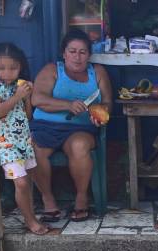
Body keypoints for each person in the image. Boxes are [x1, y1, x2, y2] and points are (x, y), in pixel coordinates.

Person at [30, 29, 112, 222]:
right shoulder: (52, 70)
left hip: (81, 129)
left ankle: (82, 198)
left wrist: (99, 113)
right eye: (72, 51)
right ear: (64, 53)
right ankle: (48, 199)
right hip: (45, 126)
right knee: (34, 149)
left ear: (89, 55)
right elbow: (37, 99)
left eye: (83, 52)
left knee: (79, 146)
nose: (77, 57)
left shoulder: (98, 72)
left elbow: (108, 102)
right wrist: (67, 105)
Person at [0, 43, 48, 235]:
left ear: (20, 67)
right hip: (6, 144)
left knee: (28, 180)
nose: (7, 73)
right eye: (2, 68)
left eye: (13, 68)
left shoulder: (19, 85)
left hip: (23, 140)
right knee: (20, 182)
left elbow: (28, 115)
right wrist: (17, 96)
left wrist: (26, 97)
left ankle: (29, 216)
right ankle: (30, 221)